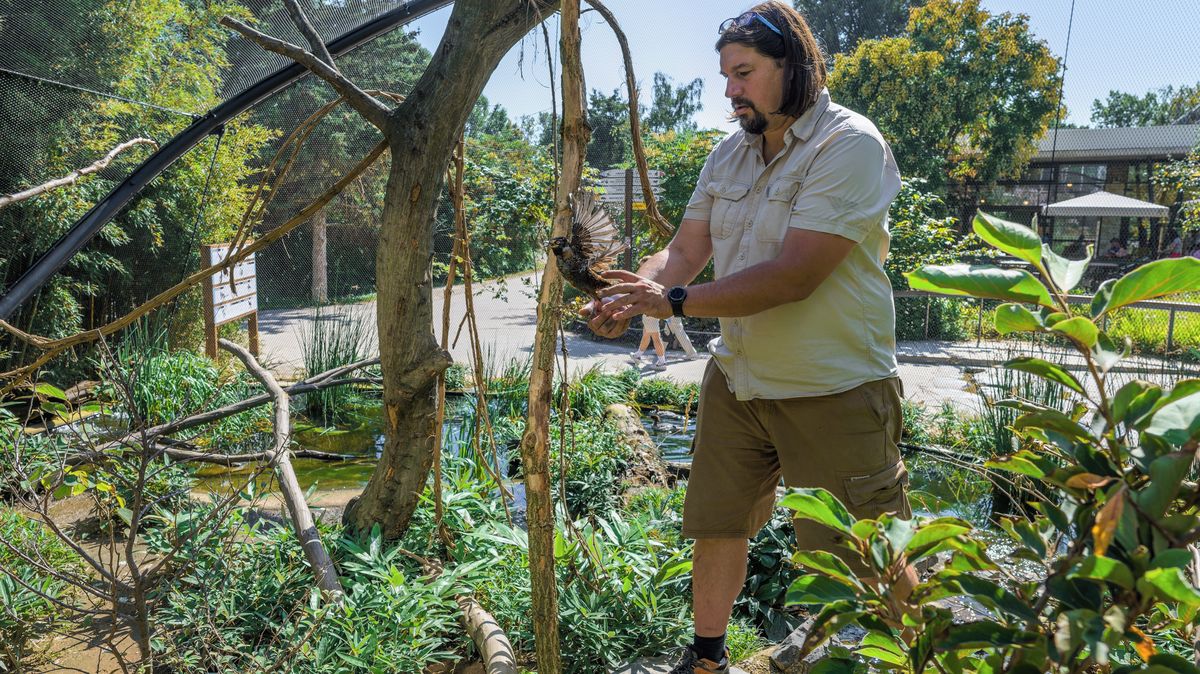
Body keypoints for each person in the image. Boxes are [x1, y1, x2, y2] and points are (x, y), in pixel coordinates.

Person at [584, 4, 914, 672]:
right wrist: (635, 291)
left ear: (794, 67)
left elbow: (794, 276)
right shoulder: (729, 152)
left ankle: (920, 655)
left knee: (861, 551)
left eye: (744, 73)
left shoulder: (848, 144)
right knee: (718, 524)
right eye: (726, 76)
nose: (730, 91)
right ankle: (707, 659)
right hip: (737, 377)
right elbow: (684, 251)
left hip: (832, 385)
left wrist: (672, 301)